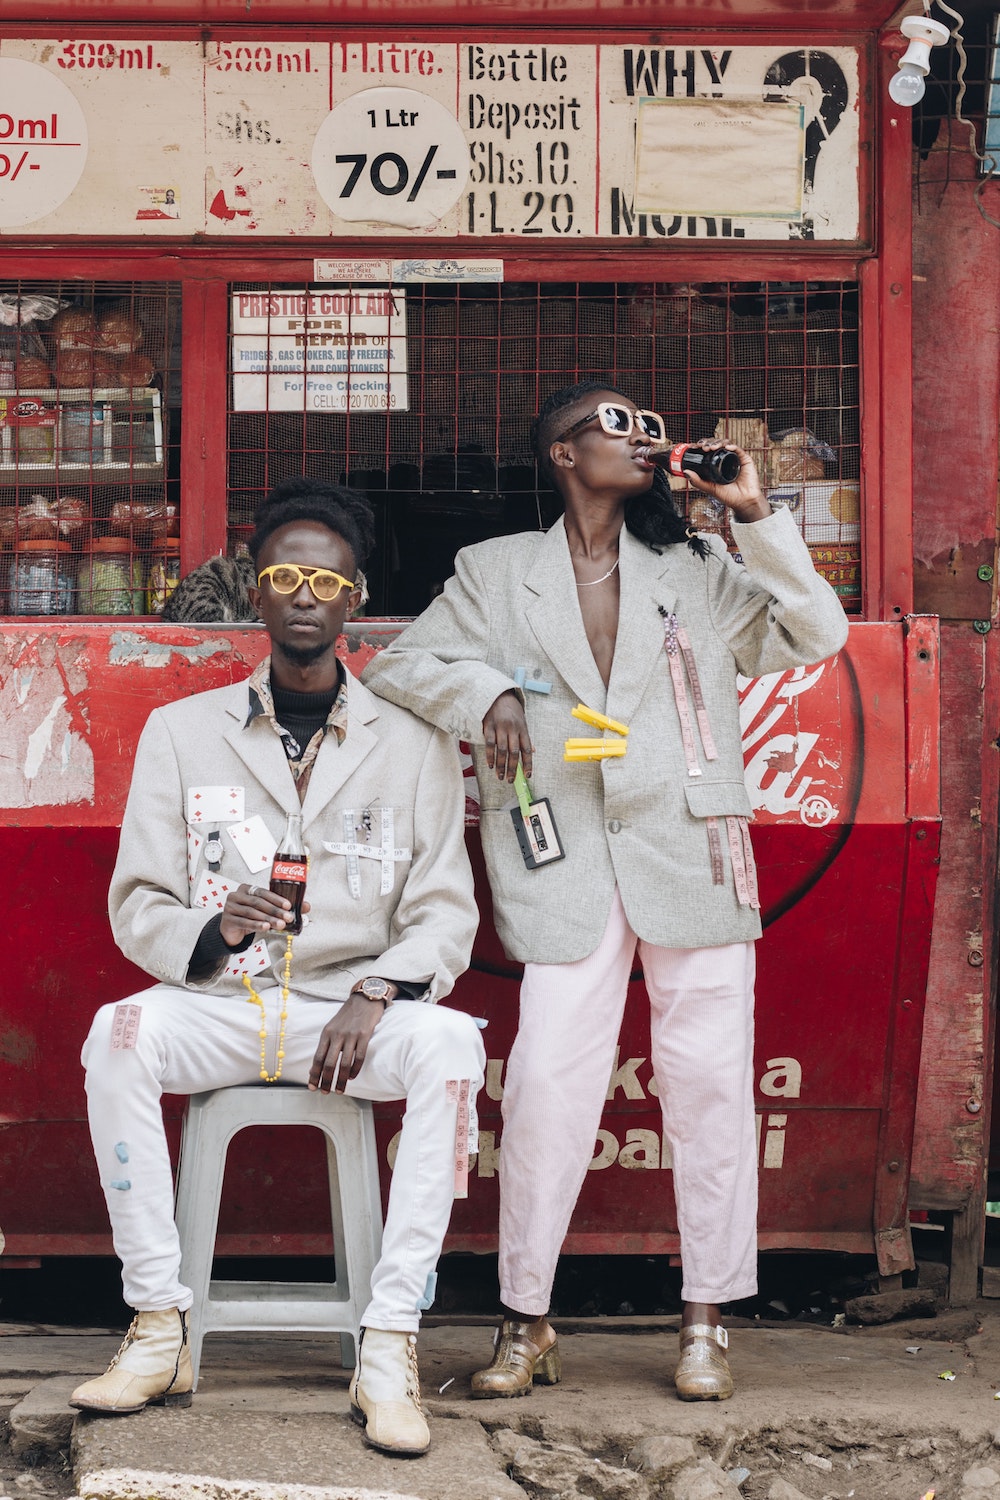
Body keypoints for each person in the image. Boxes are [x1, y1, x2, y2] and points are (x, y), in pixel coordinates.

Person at [362, 381, 849, 1402]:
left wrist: (752, 514)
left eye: (653, 429)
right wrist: (487, 690)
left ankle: (706, 1319)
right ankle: (526, 1318)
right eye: (620, 425)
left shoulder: (699, 567)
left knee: (711, 1087)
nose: (646, 439)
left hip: (693, 853)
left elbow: (814, 635)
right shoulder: (495, 573)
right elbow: (404, 664)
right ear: (561, 454)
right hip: (562, 860)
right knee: (544, 1090)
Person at [70, 477, 485, 1458]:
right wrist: (212, 936)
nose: (305, 595)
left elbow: (442, 911)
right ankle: (158, 1324)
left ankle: (388, 1343)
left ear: (355, 599)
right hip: (223, 1003)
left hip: (352, 1017)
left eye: (326, 580)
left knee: (454, 1054)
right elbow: (137, 903)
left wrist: (380, 989)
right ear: (255, 594)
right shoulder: (183, 733)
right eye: (285, 576)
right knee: (115, 1034)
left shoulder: (413, 741)